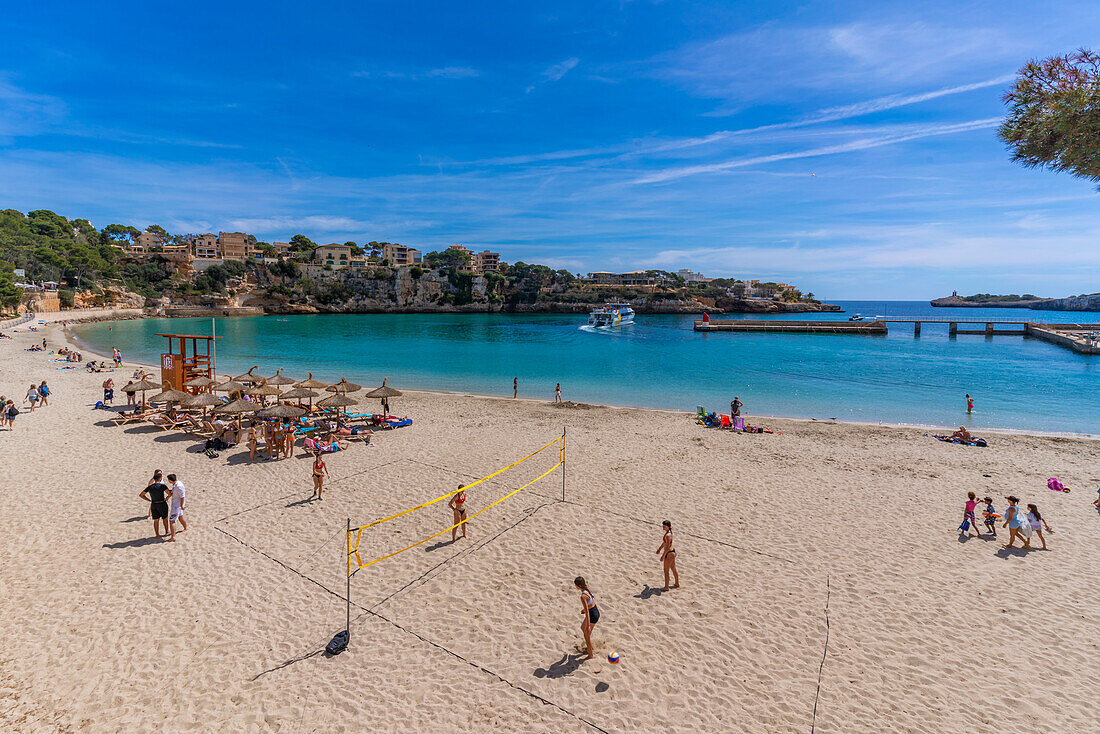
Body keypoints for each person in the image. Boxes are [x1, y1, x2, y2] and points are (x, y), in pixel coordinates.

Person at [139, 470, 172, 539]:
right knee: (165, 519)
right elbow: (169, 493)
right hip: (162, 504)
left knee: (156, 520)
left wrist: (149, 500)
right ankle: (167, 531)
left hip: (154, 504)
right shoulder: (162, 486)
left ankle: (157, 534)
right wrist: (167, 497)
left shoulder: (150, 487)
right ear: (160, 479)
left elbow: (141, 495)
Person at [574, 576, 599, 659]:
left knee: (586, 635)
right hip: (594, 610)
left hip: (592, 615)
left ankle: (590, 655)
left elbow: (588, 613)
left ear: (578, 586)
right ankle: (590, 647)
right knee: (582, 628)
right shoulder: (586, 590)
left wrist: (588, 626)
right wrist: (585, 609)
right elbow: (591, 601)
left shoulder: (583, 596)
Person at [657, 520, 680, 590]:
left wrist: (663, 556)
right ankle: (677, 583)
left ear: (668, 527)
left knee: (666, 570)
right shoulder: (668, 533)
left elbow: (667, 547)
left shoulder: (668, 535)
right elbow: (665, 543)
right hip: (671, 552)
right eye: (663, 525)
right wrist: (659, 549)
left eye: (665, 526)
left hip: (669, 553)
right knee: (673, 568)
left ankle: (666, 587)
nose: (663, 527)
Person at [167, 473, 187, 541]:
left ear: (170, 480)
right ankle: (185, 528)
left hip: (177, 506)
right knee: (180, 516)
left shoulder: (178, 486)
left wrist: (181, 505)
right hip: (178, 505)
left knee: (172, 520)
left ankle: (173, 537)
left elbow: (182, 496)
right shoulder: (177, 484)